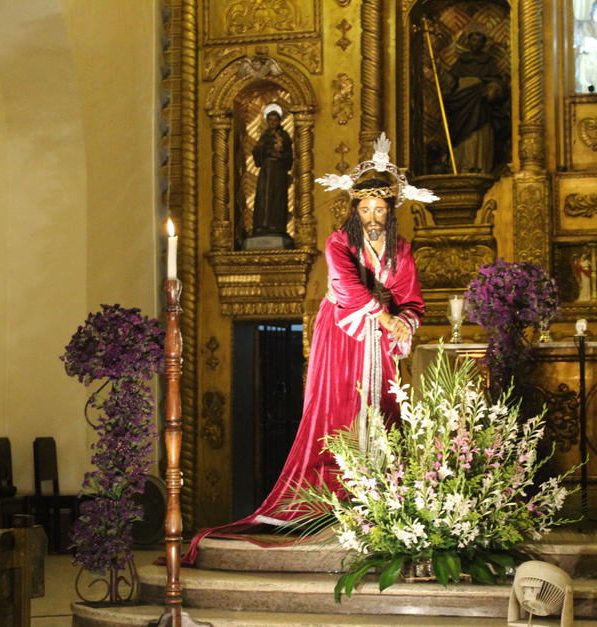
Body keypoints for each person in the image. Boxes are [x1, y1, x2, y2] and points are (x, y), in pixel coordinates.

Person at [182, 137, 433, 565]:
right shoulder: (339, 242)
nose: (372, 217)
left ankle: (380, 499)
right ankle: (333, 499)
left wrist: (402, 321)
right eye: (365, 209)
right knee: (341, 405)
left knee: (386, 408)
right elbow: (345, 287)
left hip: (381, 344)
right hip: (343, 334)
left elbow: (410, 298)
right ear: (354, 210)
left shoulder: (402, 250)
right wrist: (383, 314)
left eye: (380, 210)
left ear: (391, 212)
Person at [442, 28, 509, 174]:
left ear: (484, 44)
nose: (476, 43)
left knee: (479, 134)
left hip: (481, 106)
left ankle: (479, 165)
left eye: (479, 41)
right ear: (468, 42)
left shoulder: (489, 62)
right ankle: (462, 164)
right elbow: (451, 82)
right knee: (462, 136)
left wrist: (493, 88)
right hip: (461, 104)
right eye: (473, 40)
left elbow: (497, 81)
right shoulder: (462, 61)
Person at [251, 103, 293, 237]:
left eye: (275, 120)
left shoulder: (284, 136)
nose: (273, 123)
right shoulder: (264, 136)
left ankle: (277, 225)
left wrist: (279, 155)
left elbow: (289, 157)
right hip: (266, 171)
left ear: (280, 121)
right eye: (270, 120)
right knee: (264, 197)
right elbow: (258, 156)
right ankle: (262, 225)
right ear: (267, 121)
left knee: (277, 197)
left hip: (278, 171)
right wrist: (260, 150)